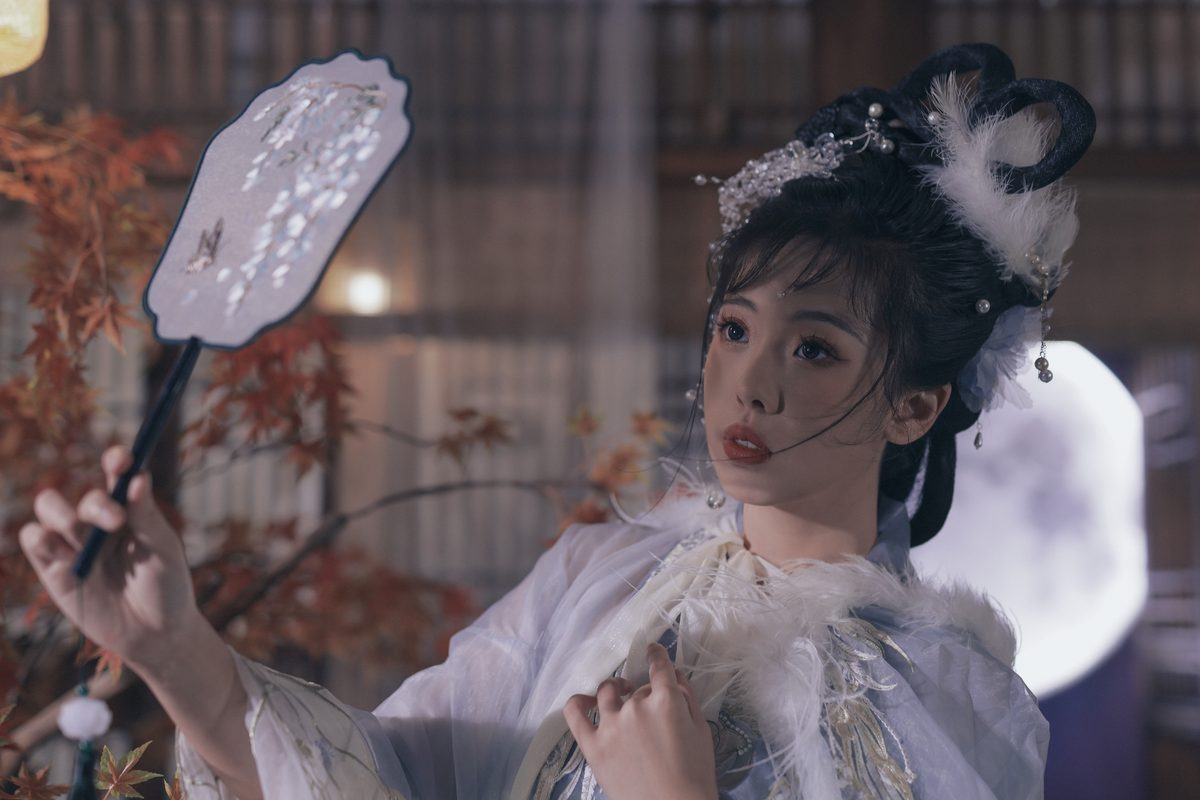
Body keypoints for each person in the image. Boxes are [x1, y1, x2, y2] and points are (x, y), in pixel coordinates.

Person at [20, 43, 1095, 799]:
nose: (750, 383)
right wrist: (173, 647)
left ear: (916, 404)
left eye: (815, 348)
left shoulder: (945, 692)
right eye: (733, 329)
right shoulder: (601, 576)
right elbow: (385, 778)